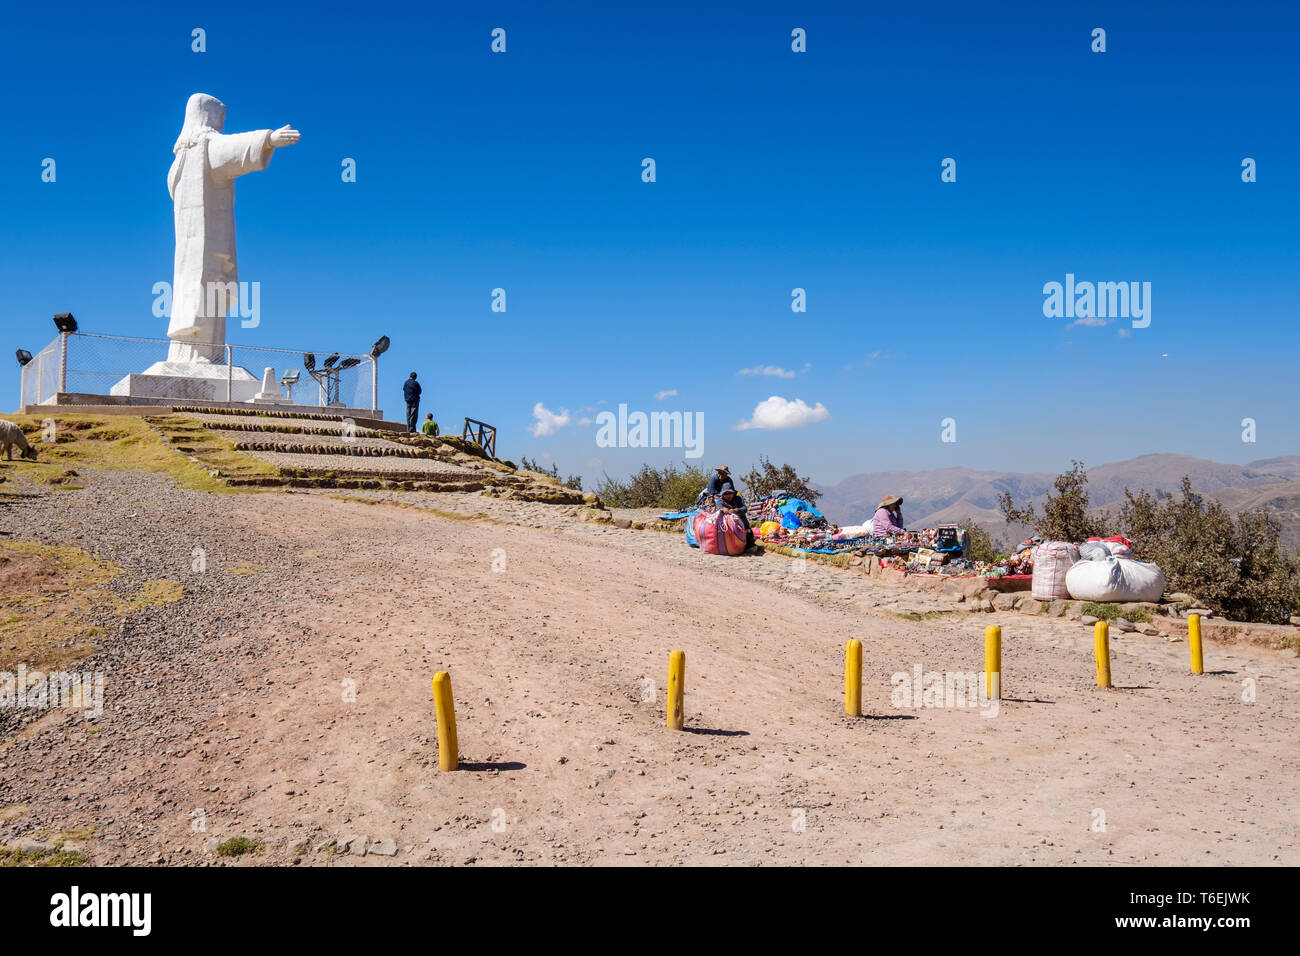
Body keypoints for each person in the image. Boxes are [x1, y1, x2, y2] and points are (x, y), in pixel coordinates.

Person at [718, 482, 756, 549]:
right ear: (723, 495)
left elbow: (744, 508)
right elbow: (718, 508)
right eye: (725, 494)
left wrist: (736, 510)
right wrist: (723, 509)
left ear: (733, 493)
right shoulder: (721, 501)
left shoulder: (738, 499)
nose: (728, 495)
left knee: (748, 533)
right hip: (727, 526)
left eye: (730, 493)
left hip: (741, 522)